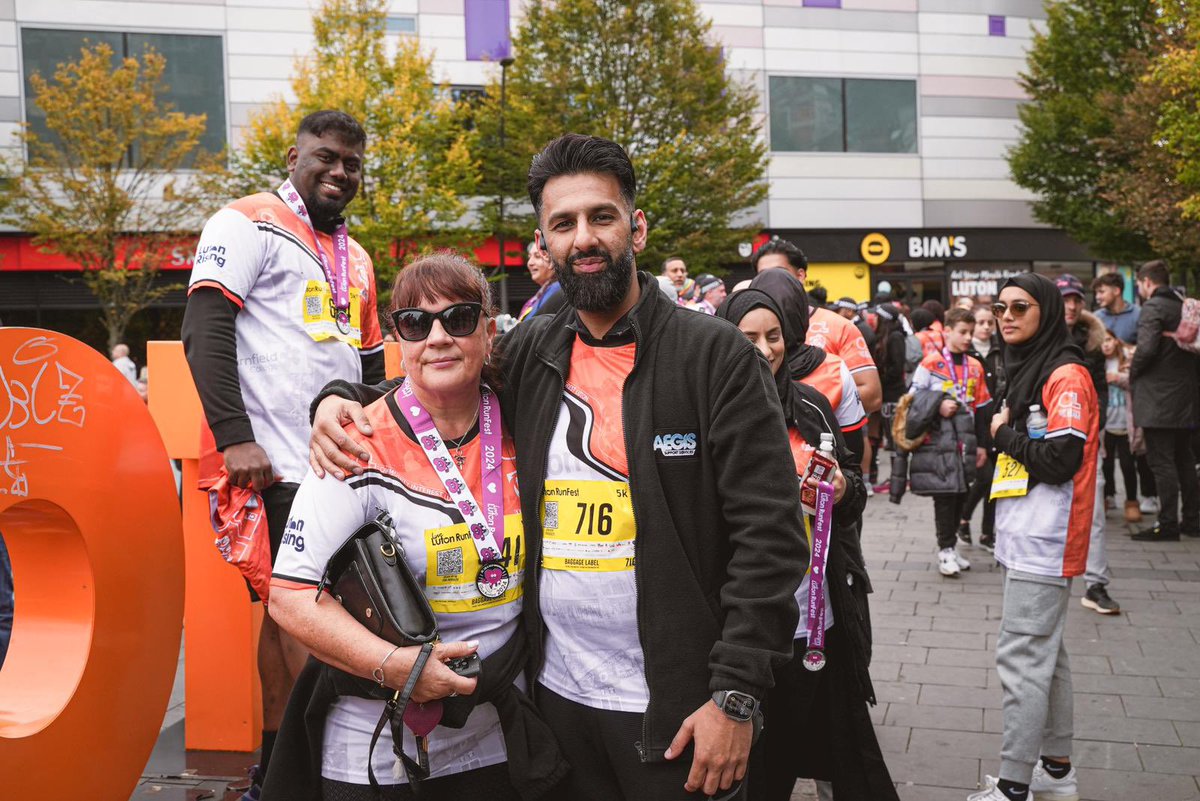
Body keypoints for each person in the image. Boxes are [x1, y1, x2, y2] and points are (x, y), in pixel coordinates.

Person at [308, 133, 809, 800]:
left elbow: (772, 542)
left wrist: (736, 695)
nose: (584, 238)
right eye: (563, 224)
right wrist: (337, 397)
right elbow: (438, 377)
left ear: (636, 226)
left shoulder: (715, 357)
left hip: (678, 711)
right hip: (554, 709)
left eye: (601, 217)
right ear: (544, 242)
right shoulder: (533, 351)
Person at [263, 255, 566, 801]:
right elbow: (290, 596)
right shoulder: (355, 443)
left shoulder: (525, 420)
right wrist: (398, 667)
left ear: (489, 332)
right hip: (383, 745)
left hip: (501, 734)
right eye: (415, 323)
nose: (438, 337)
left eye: (460, 318)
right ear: (398, 340)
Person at [181, 110, 386, 799]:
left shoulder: (357, 256)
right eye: (326, 157)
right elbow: (205, 325)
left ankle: (276, 775)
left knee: (284, 618)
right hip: (275, 466)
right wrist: (234, 434)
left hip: (341, 465)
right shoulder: (245, 221)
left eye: (352, 164)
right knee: (310, 621)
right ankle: (315, 777)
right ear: (294, 157)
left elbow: (369, 364)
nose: (339, 172)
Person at [715, 289, 896, 801]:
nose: (765, 348)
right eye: (749, 337)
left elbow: (854, 484)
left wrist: (843, 489)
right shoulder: (709, 409)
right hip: (745, 623)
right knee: (756, 768)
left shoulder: (811, 405)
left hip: (815, 619)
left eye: (774, 336)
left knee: (835, 752)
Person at [972, 273, 1098, 801]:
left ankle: (1014, 785)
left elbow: (1060, 459)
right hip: (1026, 535)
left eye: (1020, 307)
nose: (1007, 316)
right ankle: (1057, 770)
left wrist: (1004, 435)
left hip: (1047, 537)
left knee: (1022, 658)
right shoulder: (1030, 367)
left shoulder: (1065, 375)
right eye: (1000, 307)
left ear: (1045, 310)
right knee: (1047, 653)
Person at [752, 240, 882, 419]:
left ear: (800, 276)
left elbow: (872, 396)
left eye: (780, 272)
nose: (772, 282)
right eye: (763, 275)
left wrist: (810, 406)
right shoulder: (744, 328)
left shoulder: (839, 326)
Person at [905, 307, 990, 577]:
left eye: (970, 332)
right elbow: (912, 400)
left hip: (966, 440)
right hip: (939, 442)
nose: (968, 338)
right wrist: (938, 405)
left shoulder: (975, 366)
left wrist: (982, 444)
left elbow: (982, 408)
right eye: (962, 332)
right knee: (945, 496)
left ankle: (951, 546)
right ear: (948, 331)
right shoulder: (931, 363)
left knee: (962, 493)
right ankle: (945, 550)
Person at [752, 269, 868, 465]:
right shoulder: (834, 368)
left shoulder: (731, 371)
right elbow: (852, 450)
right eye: (751, 338)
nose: (766, 352)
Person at [1056, 274, 1120, 614]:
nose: (1071, 305)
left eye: (1076, 299)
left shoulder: (1091, 340)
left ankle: (1096, 584)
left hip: (1086, 439)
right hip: (1046, 439)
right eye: (1065, 299)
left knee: (1093, 511)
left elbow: (1100, 389)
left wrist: (1099, 422)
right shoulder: (1036, 336)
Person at [1130, 260, 1200, 541]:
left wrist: (1133, 371)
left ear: (1147, 282)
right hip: (1185, 396)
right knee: (1184, 458)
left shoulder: (1153, 308)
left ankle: (1168, 523)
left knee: (1161, 462)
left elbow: (1146, 349)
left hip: (1158, 398)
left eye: (1139, 284)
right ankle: (1192, 520)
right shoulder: (1182, 304)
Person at [957, 304, 1004, 552]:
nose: (986, 327)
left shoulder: (1001, 349)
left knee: (996, 482)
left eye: (990, 322)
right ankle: (963, 519)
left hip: (999, 421)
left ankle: (987, 532)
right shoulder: (966, 351)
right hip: (975, 425)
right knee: (984, 477)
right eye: (981, 322)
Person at [1101, 329, 1140, 524]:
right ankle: (1108, 497)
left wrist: (1118, 378)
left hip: (1125, 423)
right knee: (1106, 464)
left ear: (1116, 340)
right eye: (1102, 341)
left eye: (1108, 339)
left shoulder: (1128, 359)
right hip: (1106, 424)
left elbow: (1137, 382)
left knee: (1127, 464)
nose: (1106, 344)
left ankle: (1132, 501)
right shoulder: (1098, 362)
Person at [518, 239, 565, 321]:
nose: (530, 263)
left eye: (537, 256)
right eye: (529, 257)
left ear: (553, 259)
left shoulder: (558, 288)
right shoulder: (541, 294)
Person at [1092, 272, 1140, 345]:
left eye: (1101, 292)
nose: (1097, 297)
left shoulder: (1138, 314)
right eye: (1096, 293)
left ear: (1116, 291)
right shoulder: (1096, 317)